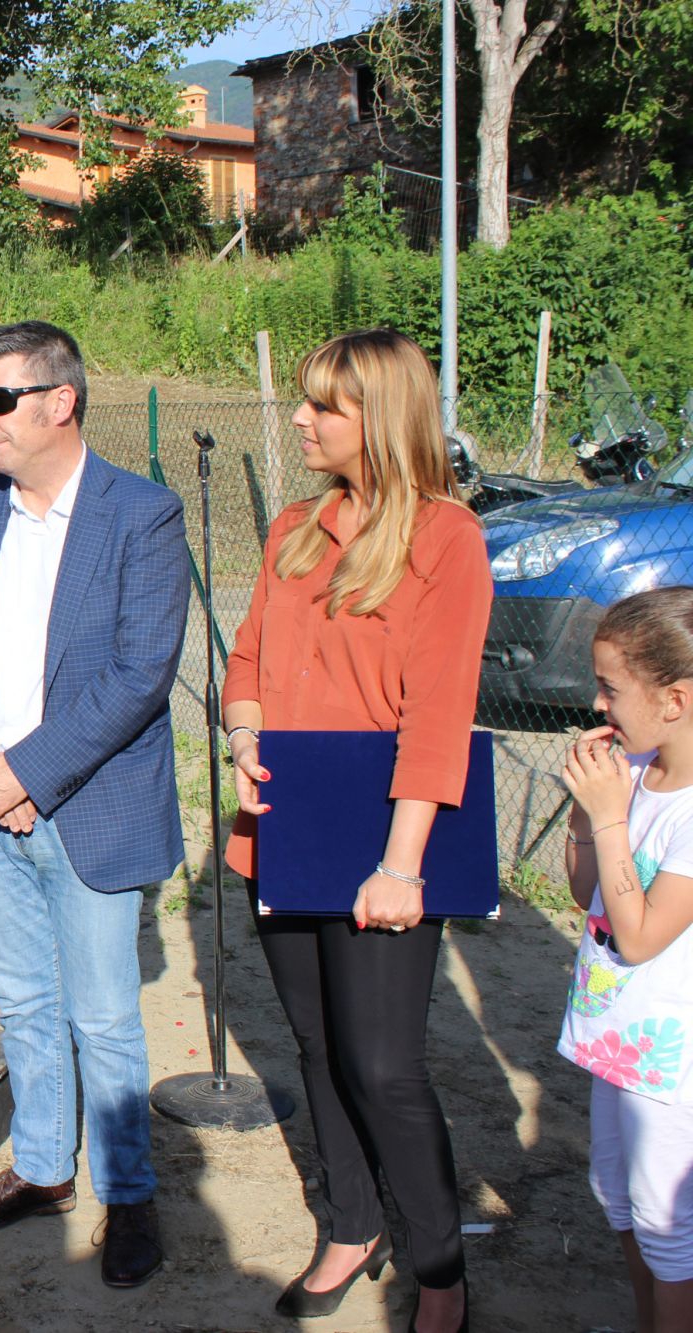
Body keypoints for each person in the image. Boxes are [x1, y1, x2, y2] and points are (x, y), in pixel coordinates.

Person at [0, 320, 189, 1289]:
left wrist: (24, 775)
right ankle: (41, 1169)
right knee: (25, 1002)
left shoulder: (141, 516)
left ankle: (127, 1193)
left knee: (105, 1018)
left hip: (88, 811)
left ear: (58, 402)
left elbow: (136, 676)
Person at [222, 329, 489, 1332]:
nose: (298, 419)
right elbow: (244, 658)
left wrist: (399, 863)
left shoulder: (444, 538)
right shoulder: (294, 525)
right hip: (283, 827)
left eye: (321, 407)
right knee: (315, 1044)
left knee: (382, 1065)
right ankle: (348, 1222)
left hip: (385, 840)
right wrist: (241, 735)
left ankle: (437, 1266)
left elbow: (437, 712)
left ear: (376, 418)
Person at [558, 587, 693, 1333]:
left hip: (672, 1063)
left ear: (673, 699)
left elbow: (640, 936)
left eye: (611, 687)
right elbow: (593, 896)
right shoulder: (639, 774)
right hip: (618, 1039)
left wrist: (610, 815)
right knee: (615, 1194)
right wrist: (587, 814)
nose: (597, 701)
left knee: (668, 1227)